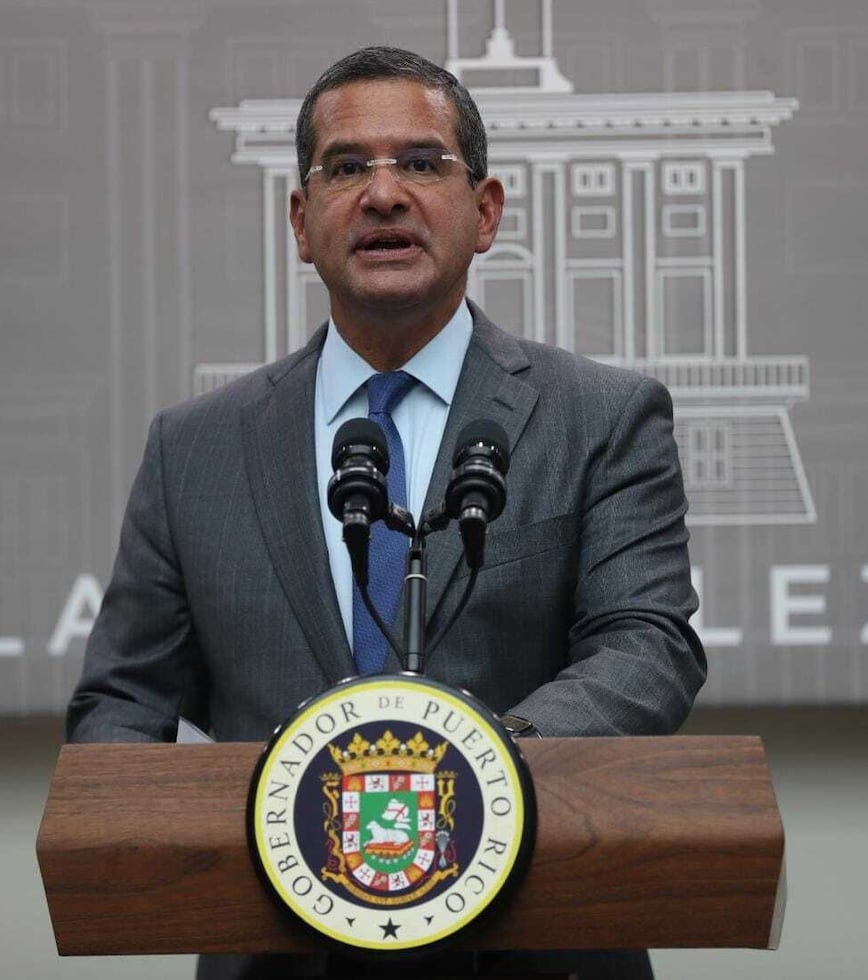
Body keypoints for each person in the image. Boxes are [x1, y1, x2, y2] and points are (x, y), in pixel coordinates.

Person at [67, 47, 706, 979]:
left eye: (420, 163)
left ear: (484, 213)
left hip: (534, 945)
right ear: (300, 220)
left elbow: (648, 647)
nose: (383, 194)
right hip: (276, 950)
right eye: (345, 167)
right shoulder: (195, 448)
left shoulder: (601, 417)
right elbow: (120, 700)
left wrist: (472, 760)